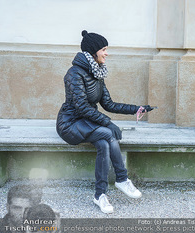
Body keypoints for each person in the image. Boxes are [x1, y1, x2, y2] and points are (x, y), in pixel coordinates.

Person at [56, 30, 154, 213]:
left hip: (88, 122)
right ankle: (122, 179)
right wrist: (108, 123)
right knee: (108, 133)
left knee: (104, 141)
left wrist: (137, 109)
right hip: (70, 124)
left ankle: (100, 195)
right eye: (104, 49)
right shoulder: (74, 74)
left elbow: (108, 104)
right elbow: (81, 108)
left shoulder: (97, 72)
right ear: (94, 51)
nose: (107, 53)